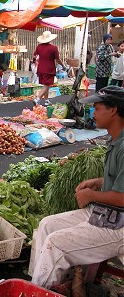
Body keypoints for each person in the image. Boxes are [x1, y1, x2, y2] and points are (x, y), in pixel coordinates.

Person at [29, 85, 124, 289]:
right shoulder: (115, 139)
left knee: (56, 244)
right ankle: (44, 286)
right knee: (46, 224)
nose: (92, 113)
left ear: (113, 110)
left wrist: (92, 195)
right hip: (106, 214)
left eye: (97, 108)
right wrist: (99, 182)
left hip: (119, 226)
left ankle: (36, 292)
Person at [33, 30, 66, 106]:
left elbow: (34, 56)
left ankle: (46, 100)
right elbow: (57, 59)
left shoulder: (39, 47)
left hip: (40, 68)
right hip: (49, 69)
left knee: (45, 84)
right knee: (47, 84)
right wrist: (63, 66)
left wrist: (35, 61)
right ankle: (38, 98)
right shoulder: (53, 48)